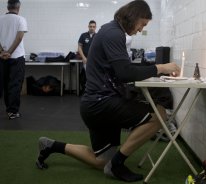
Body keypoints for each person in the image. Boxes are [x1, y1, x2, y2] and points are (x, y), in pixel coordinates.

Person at [35, 0, 180, 182]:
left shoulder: (110, 30)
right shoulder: (113, 34)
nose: (141, 29)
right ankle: (117, 164)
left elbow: (122, 68)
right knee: (159, 116)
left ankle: (51, 146)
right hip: (102, 104)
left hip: (94, 104)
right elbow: (125, 72)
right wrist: (160, 68)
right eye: (142, 24)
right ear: (134, 17)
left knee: (101, 161)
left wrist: (153, 69)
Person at [0, 0, 28, 120]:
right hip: (16, 57)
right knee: (15, 85)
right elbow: (20, 36)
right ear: (18, 7)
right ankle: (12, 112)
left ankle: (9, 109)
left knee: (5, 84)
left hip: (2, 57)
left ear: (7, 7)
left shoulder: (0, 18)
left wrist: (2, 51)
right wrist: (10, 52)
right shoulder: (21, 19)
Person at [77, 20, 96, 94]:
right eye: (90, 26)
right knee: (86, 76)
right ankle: (86, 92)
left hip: (94, 61)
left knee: (94, 76)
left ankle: (93, 92)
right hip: (85, 60)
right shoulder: (83, 35)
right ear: (88, 27)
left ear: (95, 27)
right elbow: (79, 47)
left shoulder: (97, 36)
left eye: (93, 27)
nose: (92, 28)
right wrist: (83, 57)